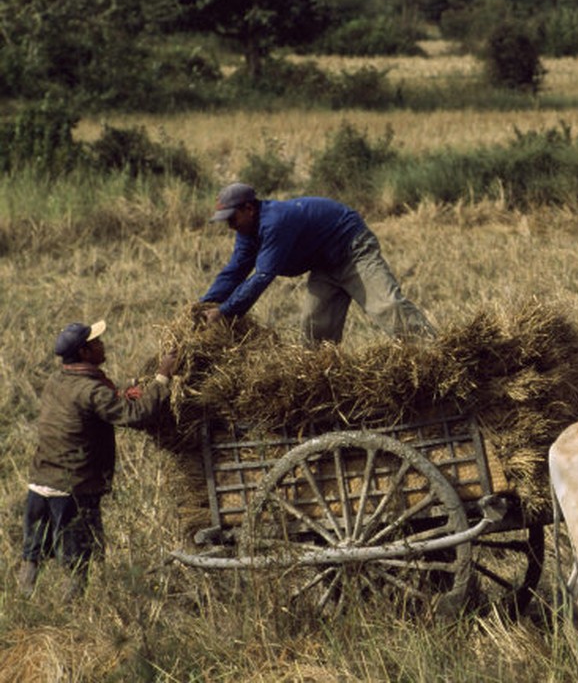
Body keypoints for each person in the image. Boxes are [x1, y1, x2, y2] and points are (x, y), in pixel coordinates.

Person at [19, 320, 178, 602]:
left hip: (40, 484)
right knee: (78, 562)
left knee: (33, 555)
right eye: (96, 342)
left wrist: (122, 391)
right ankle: (73, 622)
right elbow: (136, 416)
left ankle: (24, 604)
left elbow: (98, 400)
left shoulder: (58, 381)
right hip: (72, 490)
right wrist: (162, 378)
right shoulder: (92, 391)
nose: (102, 344)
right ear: (84, 352)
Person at [200, 182, 436, 343]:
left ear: (249, 208)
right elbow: (234, 270)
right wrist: (204, 304)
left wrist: (225, 310)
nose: (230, 226)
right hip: (324, 263)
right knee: (315, 329)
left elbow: (262, 276)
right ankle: (324, 397)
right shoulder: (246, 232)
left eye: (232, 219)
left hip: (353, 249)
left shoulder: (275, 223)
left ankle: (438, 355)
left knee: (387, 307)